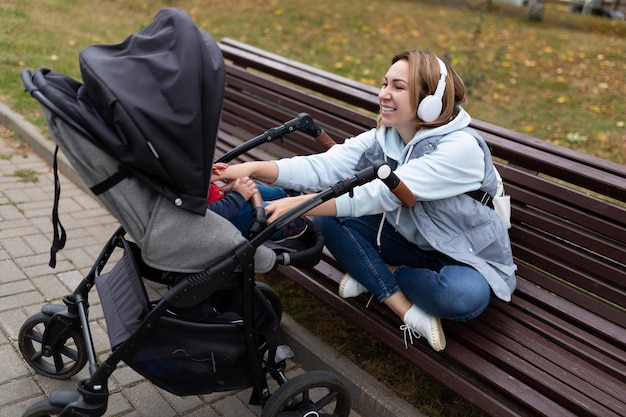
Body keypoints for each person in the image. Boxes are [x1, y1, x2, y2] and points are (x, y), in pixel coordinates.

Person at [213, 50, 517, 351]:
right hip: (404, 240)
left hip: (463, 252)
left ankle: (380, 270)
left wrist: (300, 204)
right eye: (385, 84)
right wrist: (250, 168)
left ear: (430, 102)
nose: (384, 94)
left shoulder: (459, 148)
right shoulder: (387, 135)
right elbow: (325, 166)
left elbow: (380, 194)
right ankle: (402, 307)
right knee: (324, 216)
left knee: (462, 298)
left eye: (398, 87)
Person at [207, 162, 307, 242]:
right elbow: (208, 215)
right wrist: (238, 196)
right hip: (225, 217)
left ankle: (283, 195)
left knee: (247, 185)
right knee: (250, 210)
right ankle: (286, 226)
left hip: (217, 197)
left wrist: (206, 172)